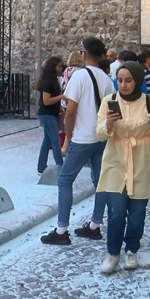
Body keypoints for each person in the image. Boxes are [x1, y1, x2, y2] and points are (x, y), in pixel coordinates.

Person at [41, 37, 115, 245]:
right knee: (100, 182)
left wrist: (67, 138)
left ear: (84, 54)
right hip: (100, 137)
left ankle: (62, 229)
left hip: (82, 138)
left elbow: (71, 110)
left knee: (65, 180)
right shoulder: (107, 80)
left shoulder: (79, 76)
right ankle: (95, 225)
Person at [96, 61, 150, 273]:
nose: (124, 85)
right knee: (116, 211)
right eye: (120, 80)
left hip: (142, 162)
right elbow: (99, 134)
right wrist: (109, 123)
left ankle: (131, 250)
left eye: (128, 80)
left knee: (137, 212)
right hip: (115, 161)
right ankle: (112, 253)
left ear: (136, 80)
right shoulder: (109, 101)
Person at [37, 56, 65, 174]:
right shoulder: (48, 82)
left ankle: (41, 166)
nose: (61, 68)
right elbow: (46, 101)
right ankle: (60, 166)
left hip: (51, 113)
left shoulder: (53, 81)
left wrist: (59, 108)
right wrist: (61, 97)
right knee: (55, 140)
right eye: (59, 66)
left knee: (47, 140)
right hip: (47, 114)